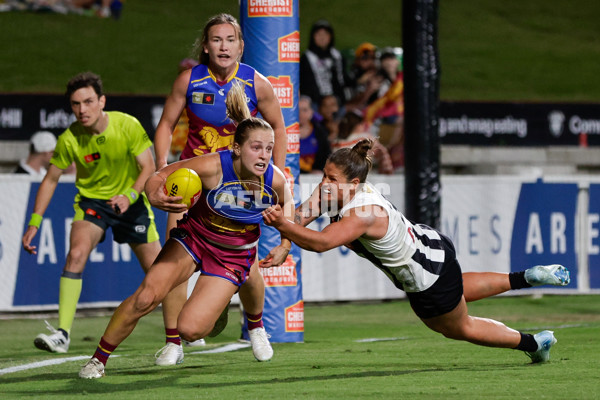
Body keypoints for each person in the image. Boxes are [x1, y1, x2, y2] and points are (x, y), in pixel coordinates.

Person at [261, 139, 571, 364]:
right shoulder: (340, 189)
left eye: (331, 179)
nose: (324, 184)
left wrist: (282, 227)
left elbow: (321, 242)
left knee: (460, 327)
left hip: (427, 279)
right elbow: (301, 217)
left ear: (354, 184)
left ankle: (534, 343)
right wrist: (284, 241)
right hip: (435, 247)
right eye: (324, 175)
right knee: (458, 290)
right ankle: (527, 277)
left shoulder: (364, 212)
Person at [78, 83, 294, 379]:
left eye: (269, 148)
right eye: (256, 147)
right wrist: (154, 195)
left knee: (190, 330)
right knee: (145, 297)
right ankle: (98, 360)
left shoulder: (275, 179)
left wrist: (285, 242)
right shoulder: (212, 167)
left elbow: (289, 206)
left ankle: (238, 315)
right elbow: (160, 175)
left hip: (232, 255)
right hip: (194, 239)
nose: (264, 155)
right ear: (237, 147)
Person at [152, 13, 287, 363]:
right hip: (193, 183)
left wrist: (276, 172)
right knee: (173, 255)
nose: (224, 46)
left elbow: (279, 127)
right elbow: (166, 124)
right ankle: (173, 343)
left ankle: (256, 327)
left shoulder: (257, 83)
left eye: (230, 40)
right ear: (206, 46)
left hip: (237, 185)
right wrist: (163, 168)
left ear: (241, 46)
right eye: (216, 40)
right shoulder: (189, 81)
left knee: (248, 265)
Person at [21, 72, 182, 361]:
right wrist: (34, 222)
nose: (82, 110)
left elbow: (147, 168)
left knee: (161, 273)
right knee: (76, 254)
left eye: (88, 101)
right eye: (75, 104)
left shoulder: (127, 125)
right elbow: (49, 180)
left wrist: (129, 196)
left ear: (102, 101)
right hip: (93, 203)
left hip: (131, 203)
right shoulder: (70, 138)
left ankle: (177, 336)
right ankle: (62, 334)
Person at [300, 19, 348, 108]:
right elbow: (306, 85)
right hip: (314, 102)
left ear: (331, 37)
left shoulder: (337, 56)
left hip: (335, 100)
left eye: (325, 34)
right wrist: (322, 100)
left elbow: (341, 80)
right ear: (313, 37)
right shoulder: (307, 58)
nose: (322, 38)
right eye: (318, 34)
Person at [299, 95, 331, 174]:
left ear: (311, 112)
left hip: (315, 176)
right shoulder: (285, 132)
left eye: (304, 110)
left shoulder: (320, 132)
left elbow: (326, 155)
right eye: (297, 110)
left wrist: (319, 170)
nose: (300, 114)